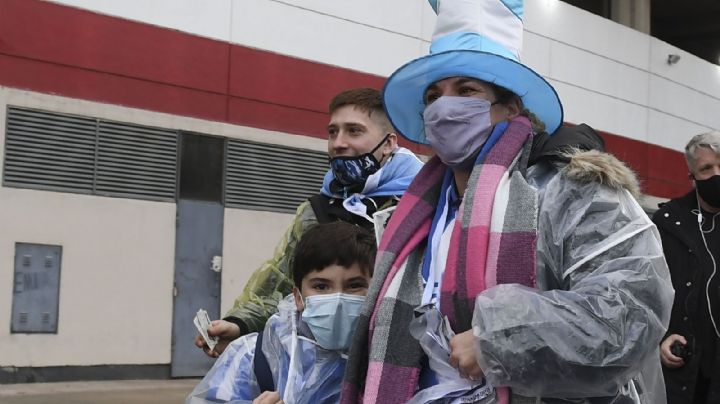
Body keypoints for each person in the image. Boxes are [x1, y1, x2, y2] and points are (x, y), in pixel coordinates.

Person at [341, 1, 674, 403]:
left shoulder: (573, 191)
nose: (445, 106)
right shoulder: (416, 215)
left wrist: (498, 340)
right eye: (433, 96)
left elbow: (632, 314)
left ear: (511, 108)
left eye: (466, 90)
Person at [195, 88, 423, 356]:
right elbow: (278, 282)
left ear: (388, 143)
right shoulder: (316, 211)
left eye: (354, 131)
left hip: (397, 360)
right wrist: (238, 324)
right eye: (332, 132)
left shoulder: (421, 204)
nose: (338, 143)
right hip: (318, 362)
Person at [187, 221, 377, 404]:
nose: (337, 301)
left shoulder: (387, 362)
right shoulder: (255, 356)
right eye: (321, 286)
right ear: (297, 297)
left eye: (354, 286)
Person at [655, 131, 720, 404]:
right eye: (707, 168)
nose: (717, 174)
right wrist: (660, 338)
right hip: (686, 366)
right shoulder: (668, 222)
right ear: (692, 177)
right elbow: (648, 289)